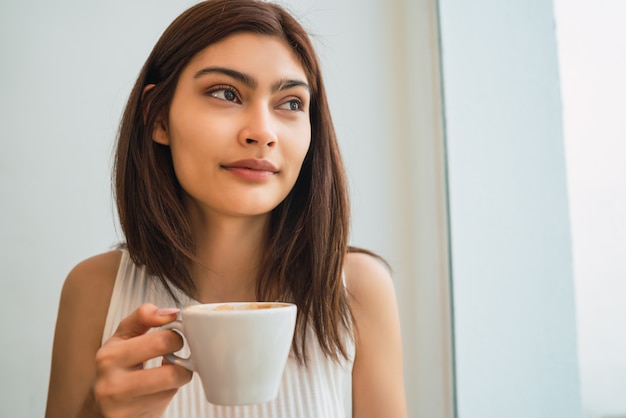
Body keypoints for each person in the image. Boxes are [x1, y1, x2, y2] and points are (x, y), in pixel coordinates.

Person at [45, 0, 407, 417]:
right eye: (226, 93)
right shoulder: (93, 289)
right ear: (157, 116)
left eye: (290, 103)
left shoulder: (358, 289)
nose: (262, 133)